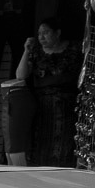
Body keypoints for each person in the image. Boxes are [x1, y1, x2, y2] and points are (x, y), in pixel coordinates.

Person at [15, 16, 81, 167]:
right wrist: (26, 51)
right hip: (44, 105)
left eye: (46, 32)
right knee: (43, 140)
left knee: (65, 141)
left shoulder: (74, 49)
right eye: (39, 34)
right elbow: (20, 75)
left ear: (57, 33)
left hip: (68, 105)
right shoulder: (36, 52)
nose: (41, 37)